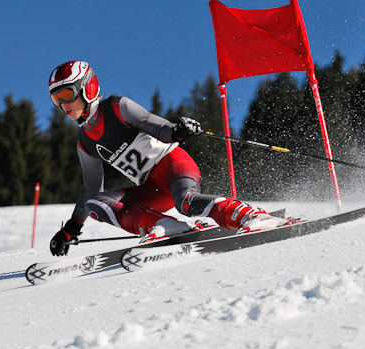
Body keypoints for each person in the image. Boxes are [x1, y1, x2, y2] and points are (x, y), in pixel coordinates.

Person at [48, 61, 288, 256]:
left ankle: (249, 215)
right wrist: (70, 230)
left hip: (173, 164)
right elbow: (92, 191)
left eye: (67, 94)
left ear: (87, 88)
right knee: (96, 203)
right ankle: (163, 226)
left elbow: (159, 127)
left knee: (186, 202)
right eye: (56, 100)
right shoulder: (85, 143)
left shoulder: (118, 108)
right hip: (152, 187)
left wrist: (178, 130)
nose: (63, 105)